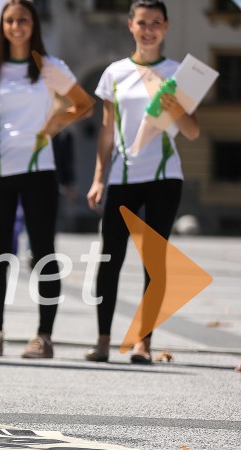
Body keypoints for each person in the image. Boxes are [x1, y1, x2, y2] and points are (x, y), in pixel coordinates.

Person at [0, 0, 94, 358]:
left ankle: (44, 336)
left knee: (42, 252)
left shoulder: (49, 67)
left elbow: (82, 104)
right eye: (9, 20)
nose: (15, 26)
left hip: (38, 169)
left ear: (33, 24)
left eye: (22, 19)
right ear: (2, 26)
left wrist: (54, 125)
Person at [85, 0, 200, 364]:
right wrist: (99, 177)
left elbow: (193, 132)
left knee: (155, 262)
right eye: (141, 22)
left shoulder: (177, 72)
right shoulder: (114, 73)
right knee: (110, 258)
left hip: (165, 176)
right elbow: (106, 130)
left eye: (155, 23)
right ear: (130, 25)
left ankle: (143, 343)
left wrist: (175, 106)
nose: (148, 29)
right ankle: (103, 340)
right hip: (122, 176)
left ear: (165, 27)